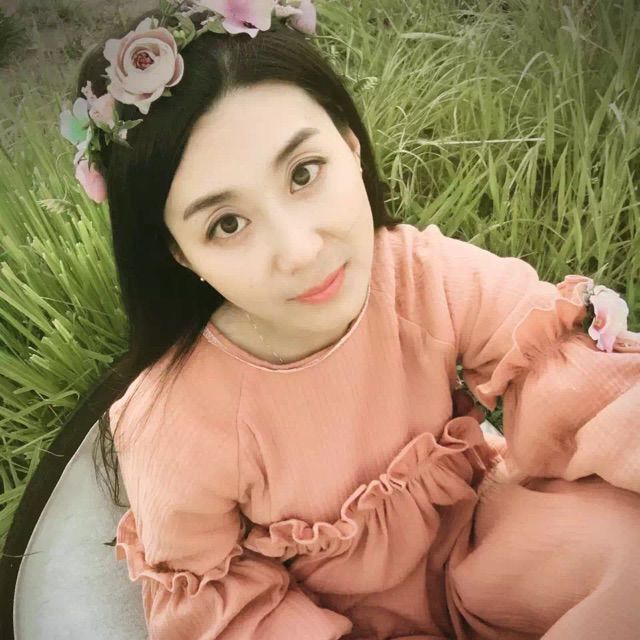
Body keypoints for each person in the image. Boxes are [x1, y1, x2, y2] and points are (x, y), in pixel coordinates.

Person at [60, 1, 640, 638]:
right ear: (180, 254)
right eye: (227, 224)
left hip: (486, 552)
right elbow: (225, 607)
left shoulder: (418, 276)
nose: (300, 250)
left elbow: (587, 389)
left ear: (350, 144)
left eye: (304, 173)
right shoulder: (178, 421)